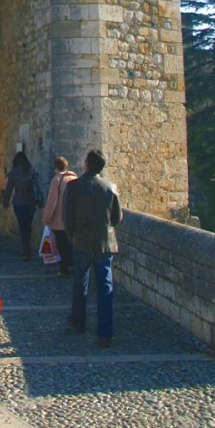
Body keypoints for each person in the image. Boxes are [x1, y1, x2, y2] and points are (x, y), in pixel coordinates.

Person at [63, 149, 122, 348]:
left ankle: (79, 322)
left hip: (81, 241)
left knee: (80, 283)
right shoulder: (110, 188)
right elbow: (117, 218)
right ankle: (105, 333)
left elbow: (67, 216)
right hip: (104, 243)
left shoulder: (74, 187)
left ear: (86, 163)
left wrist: (71, 234)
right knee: (105, 287)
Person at [2, 150, 43, 261]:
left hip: (19, 202)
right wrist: (40, 201)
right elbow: (37, 188)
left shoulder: (14, 173)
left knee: (22, 226)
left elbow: (9, 189)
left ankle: (25, 250)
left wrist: (5, 203)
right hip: (30, 202)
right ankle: (27, 248)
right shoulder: (31, 171)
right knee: (28, 226)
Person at [43, 156, 77, 277]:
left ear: (56, 167)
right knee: (71, 245)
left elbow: (52, 201)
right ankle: (73, 266)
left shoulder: (57, 180)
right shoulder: (75, 179)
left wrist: (47, 217)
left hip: (60, 220)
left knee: (61, 245)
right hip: (74, 219)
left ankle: (64, 269)